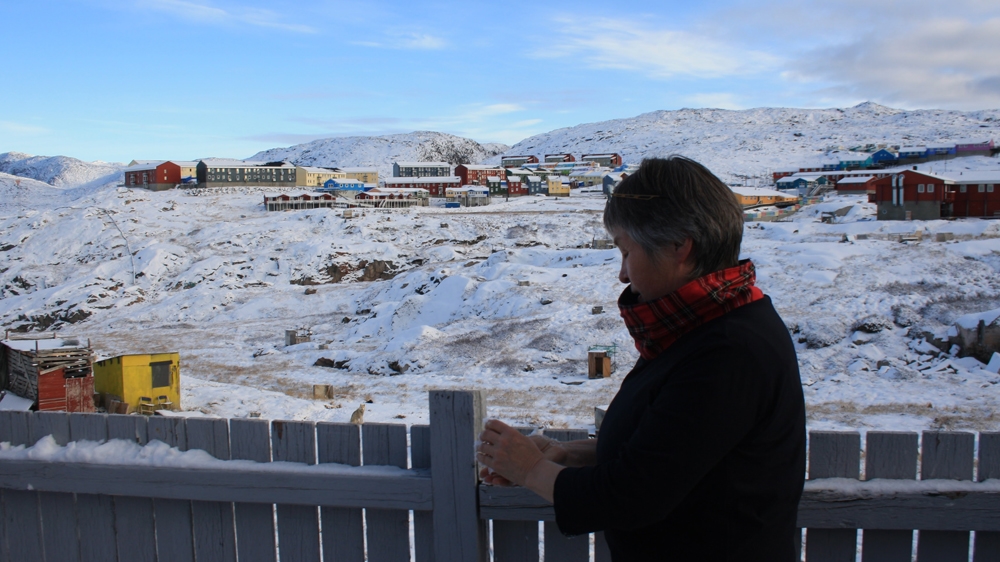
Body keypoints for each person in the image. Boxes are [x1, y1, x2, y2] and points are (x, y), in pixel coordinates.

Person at [476, 156, 806, 561]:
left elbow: (632, 497)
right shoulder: (700, 327)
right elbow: (673, 451)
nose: (622, 275)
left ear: (679, 245)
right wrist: (571, 454)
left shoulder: (730, 351)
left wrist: (532, 470)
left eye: (626, 251)